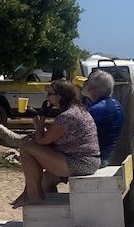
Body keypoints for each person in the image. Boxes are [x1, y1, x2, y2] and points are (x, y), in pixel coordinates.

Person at [12, 79, 100, 208]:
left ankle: (33, 195)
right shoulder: (77, 110)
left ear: (59, 96)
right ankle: (29, 194)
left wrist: (41, 117)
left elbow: (41, 140)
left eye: (49, 94)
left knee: (27, 148)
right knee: (30, 147)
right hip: (84, 160)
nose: (47, 97)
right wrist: (37, 120)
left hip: (80, 162)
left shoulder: (68, 116)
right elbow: (46, 137)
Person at [81, 70, 124, 167]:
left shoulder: (98, 109)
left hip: (94, 159)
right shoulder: (115, 104)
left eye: (87, 82)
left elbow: (76, 130)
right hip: (106, 157)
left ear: (93, 89)